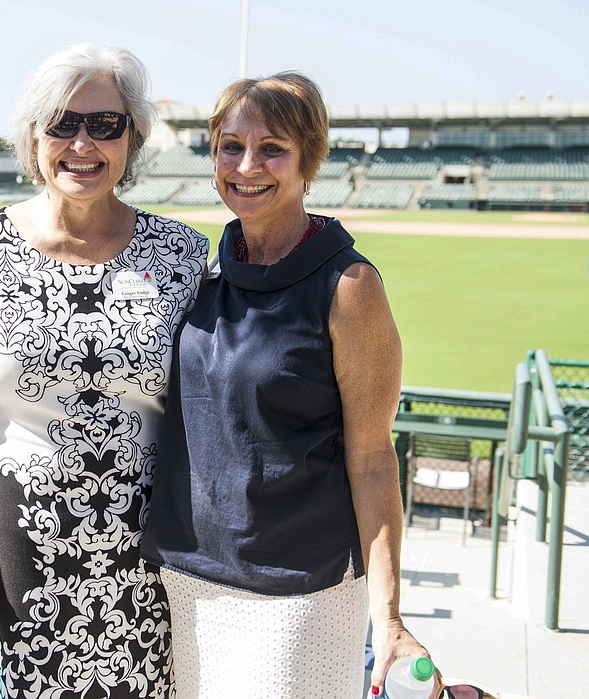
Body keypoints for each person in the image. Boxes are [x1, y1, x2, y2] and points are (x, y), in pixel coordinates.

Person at [0, 43, 208, 698]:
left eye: (105, 124)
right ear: (33, 135)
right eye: (63, 123)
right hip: (17, 545)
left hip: (149, 558)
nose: (83, 142)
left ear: (132, 138)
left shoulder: (182, 254)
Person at [140, 71, 431, 698]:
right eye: (230, 145)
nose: (248, 165)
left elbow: (374, 459)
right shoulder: (202, 267)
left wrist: (391, 618)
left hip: (299, 588)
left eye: (272, 147)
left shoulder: (349, 287)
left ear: (310, 161)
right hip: (183, 578)